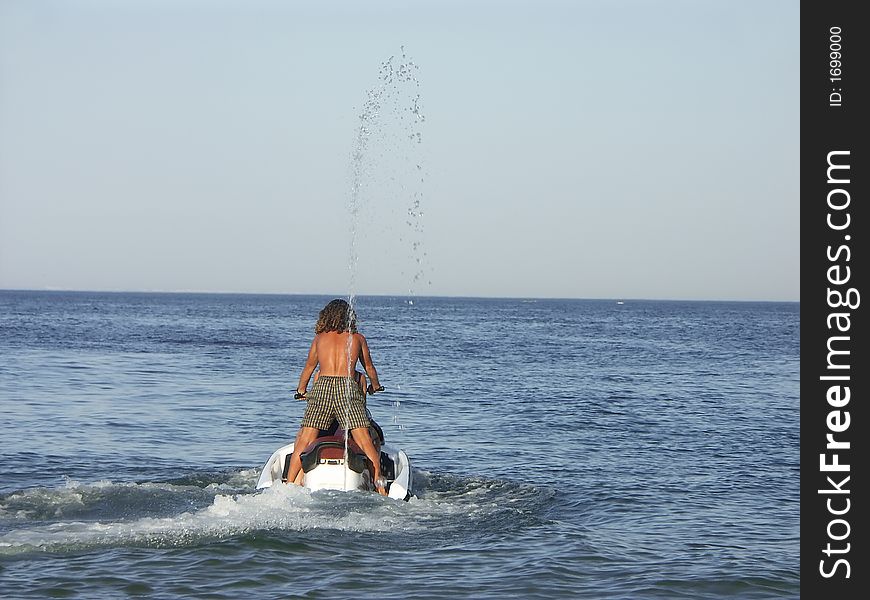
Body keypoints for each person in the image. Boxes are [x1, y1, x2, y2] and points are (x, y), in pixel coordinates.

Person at [285, 299, 387, 495]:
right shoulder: (357, 338)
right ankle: (380, 488)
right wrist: (376, 386)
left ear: (326, 316)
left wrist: (301, 390)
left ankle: (287, 487)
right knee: (365, 441)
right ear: (349, 318)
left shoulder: (319, 339)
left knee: (304, 441)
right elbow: (369, 367)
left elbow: (309, 367)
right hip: (347, 387)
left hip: (322, 386)